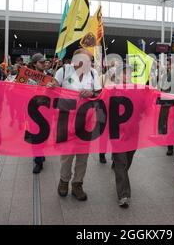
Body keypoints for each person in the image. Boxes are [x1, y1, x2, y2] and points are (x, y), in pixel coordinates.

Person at [52, 48, 102, 201]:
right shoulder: (64, 70)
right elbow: (53, 85)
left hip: (86, 120)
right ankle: (64, 181)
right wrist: (51, 85)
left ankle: (77, 184)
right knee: (67, 155)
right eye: (82, 59)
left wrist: (92, 93)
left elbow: (100, 93)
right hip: (66, 118)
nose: (86, 62)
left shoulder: (93, 74)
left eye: (88, 59)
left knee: (83, 155)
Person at [105, 64, 136, 208]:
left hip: (133, 131)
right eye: (123, 73)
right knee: (121, 162)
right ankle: (124, 194)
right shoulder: (111, 89)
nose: (126, 76)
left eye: (128, 74)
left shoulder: (137, 89)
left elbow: (144, 107)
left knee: (128, 159)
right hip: (116, 131)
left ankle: (118, 166)